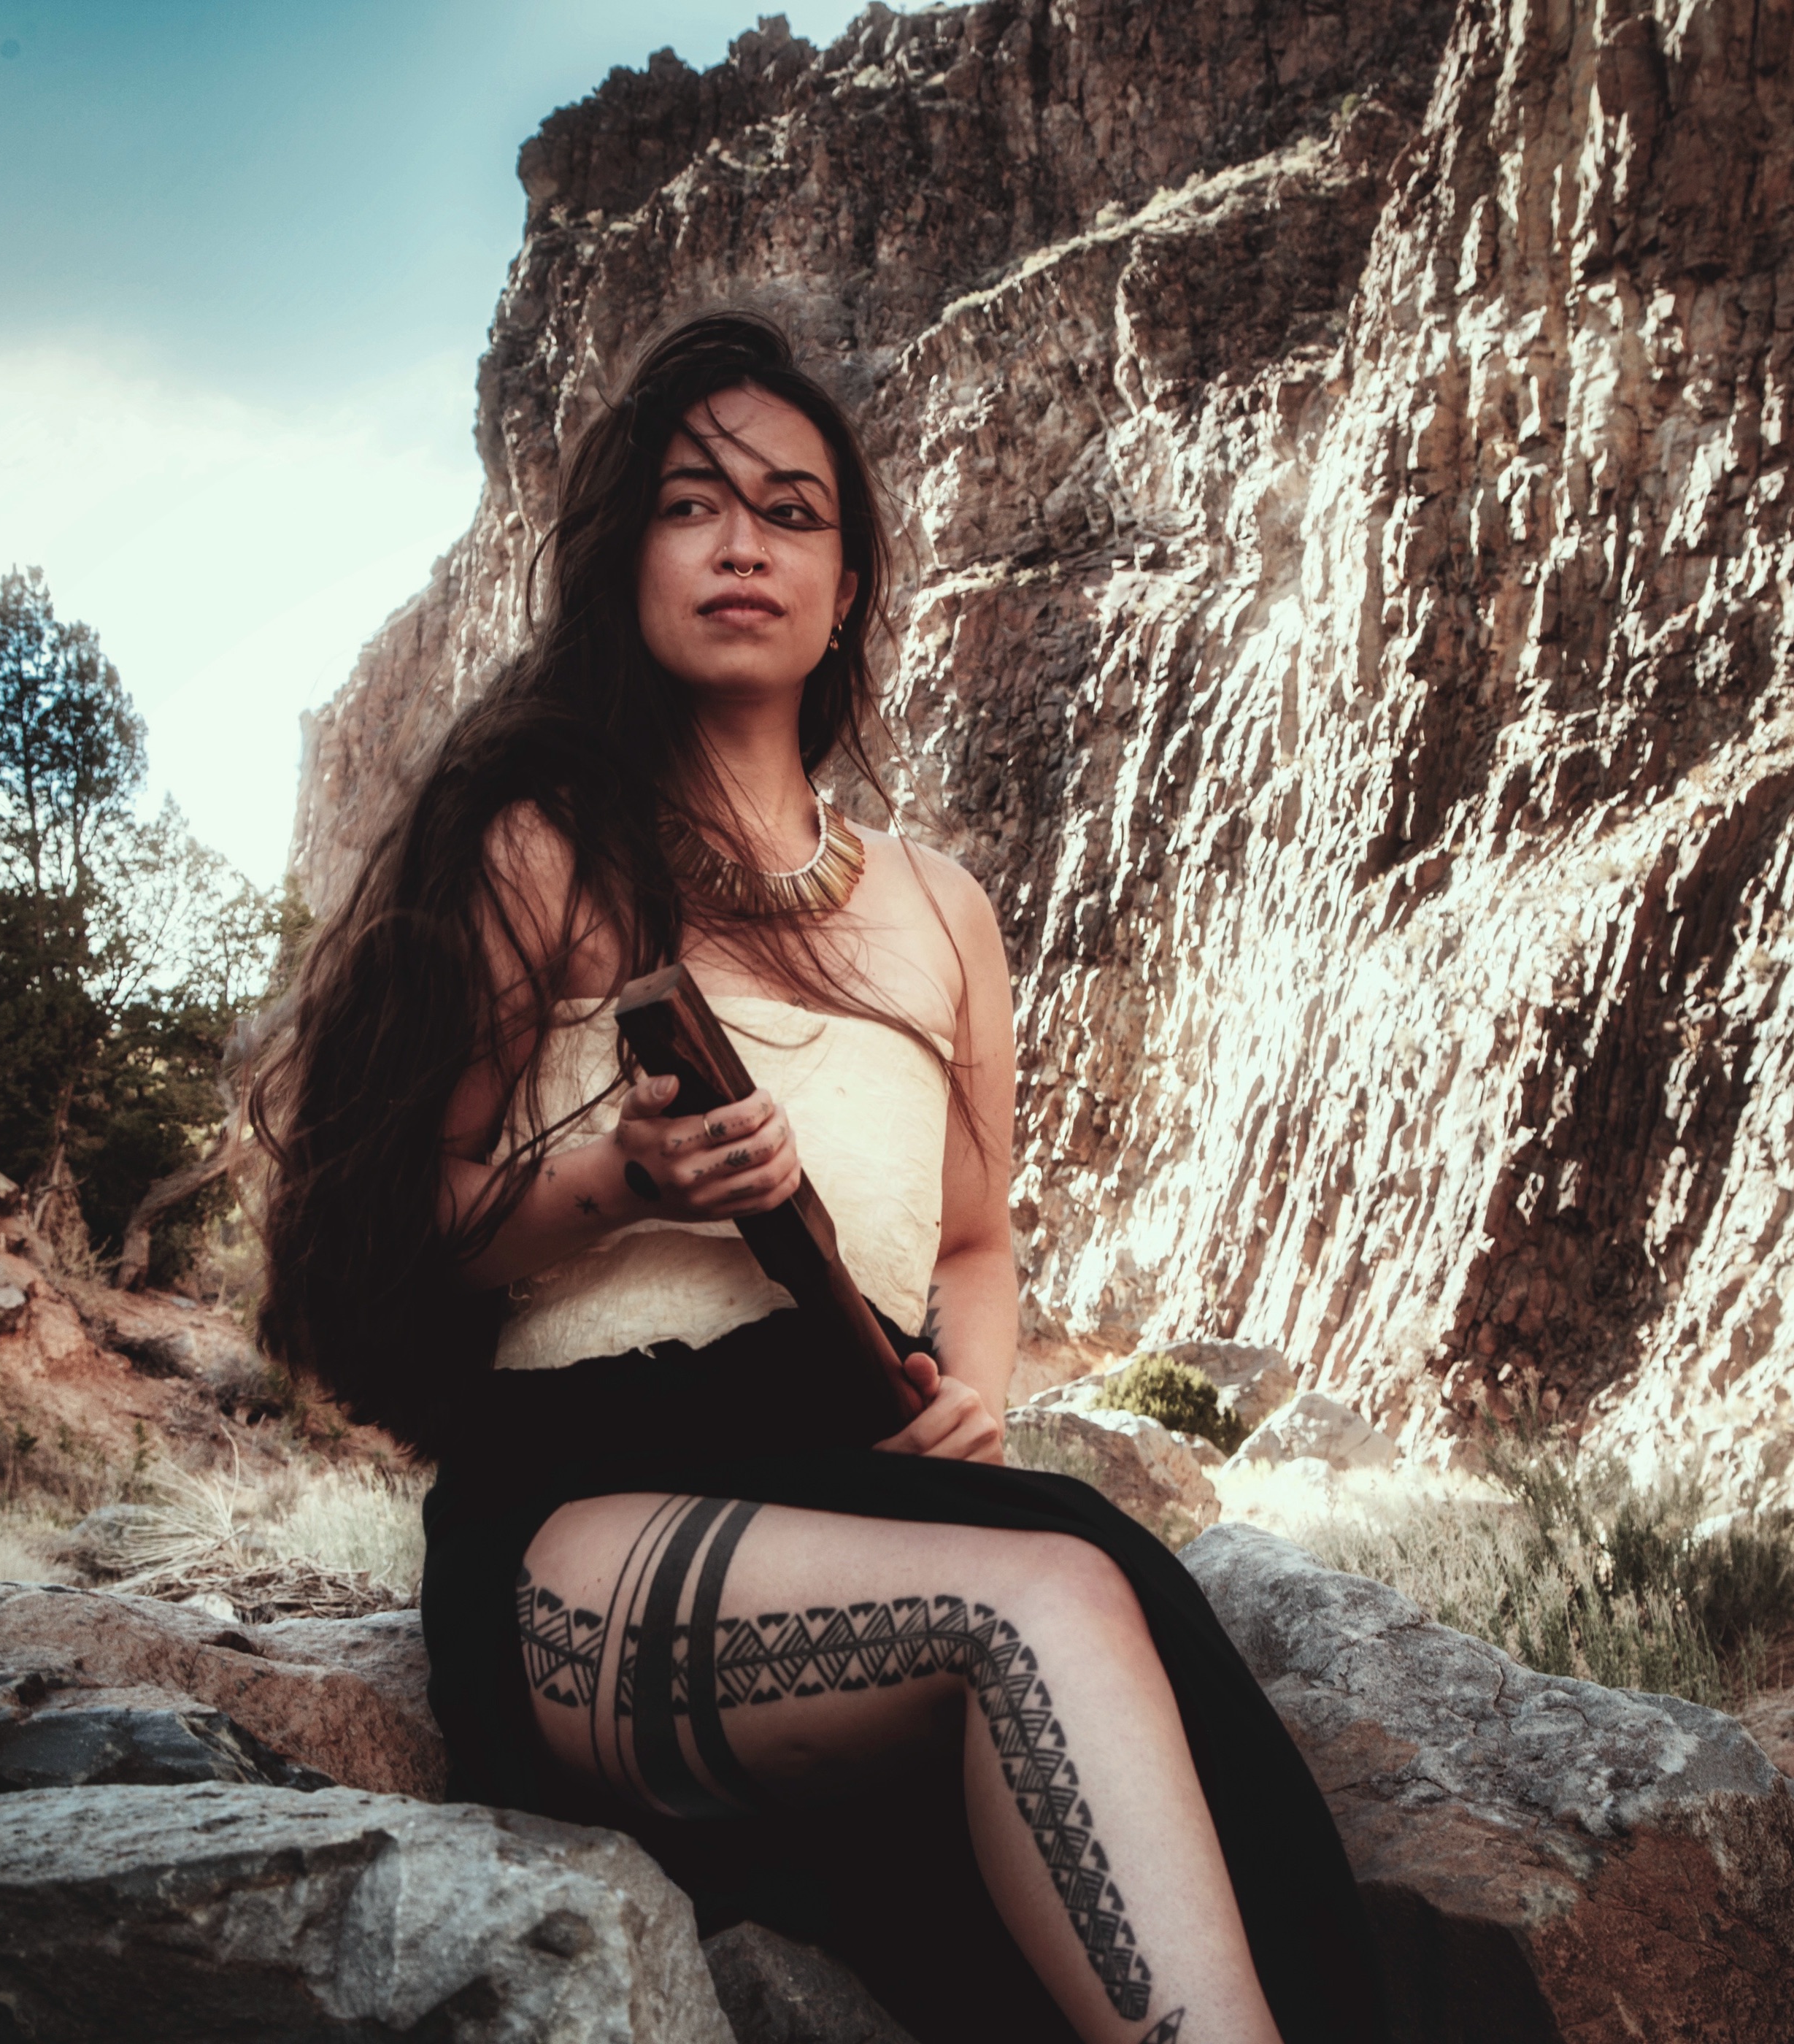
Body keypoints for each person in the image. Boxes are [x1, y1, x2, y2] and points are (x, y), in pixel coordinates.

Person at [252, 312, 1384, 2044]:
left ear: (848, 586)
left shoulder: (940, 909)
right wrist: (618, 1185)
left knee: (1070, 1574)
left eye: (791, 511)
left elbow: (984, 1238)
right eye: (693, 503)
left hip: (860, 1469)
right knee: (1057, 1589)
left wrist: (975, 1395)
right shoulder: (537, 847)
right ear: (626, 553)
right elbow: (386, 1227)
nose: (740, 542)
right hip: (582, 1507)